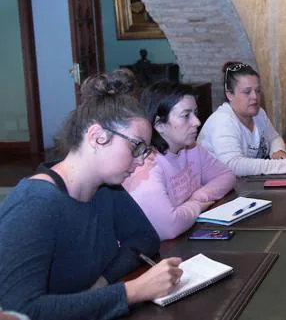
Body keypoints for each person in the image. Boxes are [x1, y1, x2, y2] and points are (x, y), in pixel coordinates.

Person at [0, 70, 183, 319]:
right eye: (137, 146)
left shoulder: (106, 188)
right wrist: (132, 291)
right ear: (97, 137)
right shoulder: (34, 204)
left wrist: (102, 284)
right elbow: (20, 312)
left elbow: (144, 238)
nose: (143, 159)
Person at [123, 82, 236, 240]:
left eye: (195, 113)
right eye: (186, 115)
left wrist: (200, 196)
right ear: (159, 125)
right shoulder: (146, 165)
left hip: (187, 234)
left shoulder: (191, 148)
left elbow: (227, 176)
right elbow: (169, 227)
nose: (197, 122)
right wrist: (195, 206)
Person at [198, 62, 286, 176]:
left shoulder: (259, 113)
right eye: (247, 92)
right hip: (217, 188)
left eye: (258, 90)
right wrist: (284, 165)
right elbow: (233, 165)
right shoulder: (222, 121)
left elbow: (274, 138)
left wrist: (278, 152)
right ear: (230, 94)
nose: (255, 97)